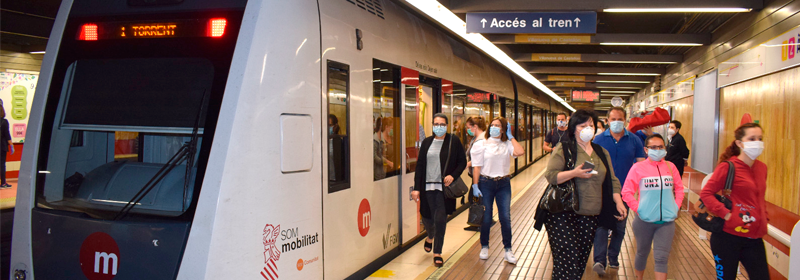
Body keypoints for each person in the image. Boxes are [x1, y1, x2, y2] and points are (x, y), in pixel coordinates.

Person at [537, 109, 627, 279]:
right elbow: (551, 176)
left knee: (578, 264)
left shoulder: (601, 152)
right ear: (573, 129)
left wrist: (619, 202)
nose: (588, 129)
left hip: (591, 214)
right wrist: (574, 173)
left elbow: (612, 180)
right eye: (582, 126)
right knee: (567, 262)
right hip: (563, 212)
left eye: (590, 125)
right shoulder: (564, 148)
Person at [700, 123, 769, 280]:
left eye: (760, 138)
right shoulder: (728, 167)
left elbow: (759, 197)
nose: (757, 143)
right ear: (739, 143)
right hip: (727, 237)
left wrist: (763, 217)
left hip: (754, 238)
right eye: (752, 139)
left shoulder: (762, 168)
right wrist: (726, 214)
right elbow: (706, 193)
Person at [590, 107, 646, 276]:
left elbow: (641, 166)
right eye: (613, 119)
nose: (616, 122)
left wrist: (641, 191)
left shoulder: (634, 140)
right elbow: (590, 162)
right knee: (601, 225)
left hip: (625, 191)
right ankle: (599, 260)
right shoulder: (598, 140)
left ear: (625, 120)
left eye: (620, 119)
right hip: (602, 190)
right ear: (607, 121)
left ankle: (613, 256)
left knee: (620, 227)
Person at [622, 134, 684, 280]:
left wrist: (676, 207)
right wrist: (639, 209)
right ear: (646, 150)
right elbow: (626, 192)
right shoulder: (638, 168)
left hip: (667, 222)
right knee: (642, 253)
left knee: (662, 257)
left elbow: (679, 189)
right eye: (653, 147)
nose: (657, 150)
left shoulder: (671, 167)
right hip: (644, 221)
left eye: (661, 147)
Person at [411, 113, 467, 267]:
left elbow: (462, 162)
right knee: (427, 217)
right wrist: (416, 188)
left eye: (442, 124)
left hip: (444, 189)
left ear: (447, 126)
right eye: (436, 124)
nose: (439, 127)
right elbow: (420, 166)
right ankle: (430, 235)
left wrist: (452, 176)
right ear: (432, 125)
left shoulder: (453, 141)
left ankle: (437, 252)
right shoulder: (427, 142)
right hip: (426, 187)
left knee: (440, 219)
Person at [471, 117, 524, 264]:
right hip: (485, 183)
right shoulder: (481, 144)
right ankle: (484, 246)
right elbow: (477, 167)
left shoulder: (507, 144)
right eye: (492, 125)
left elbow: (520, 152)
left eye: (498, 125)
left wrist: (511, 137)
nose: (494, 127)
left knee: (505, 217)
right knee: (486, 218)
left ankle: (508, 250)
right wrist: (475, 185)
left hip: (503, 184)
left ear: (503, 129)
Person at [464, 116, 487, 231]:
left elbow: (482, 158)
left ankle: (479, 223)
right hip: (475, 174)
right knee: (476, 199)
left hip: (481, 175)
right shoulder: (475, 138)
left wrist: (469, 164)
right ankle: (477, 222)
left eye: (468, 127)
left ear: (475, 127)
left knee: (476, 199)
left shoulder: (483, 139)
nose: (467, 130)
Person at [0, 104, 12, 189]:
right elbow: (7, 135)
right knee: (2, 164)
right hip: (2, 146)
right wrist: (11, 145)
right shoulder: (4, 122)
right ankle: (3, 183)